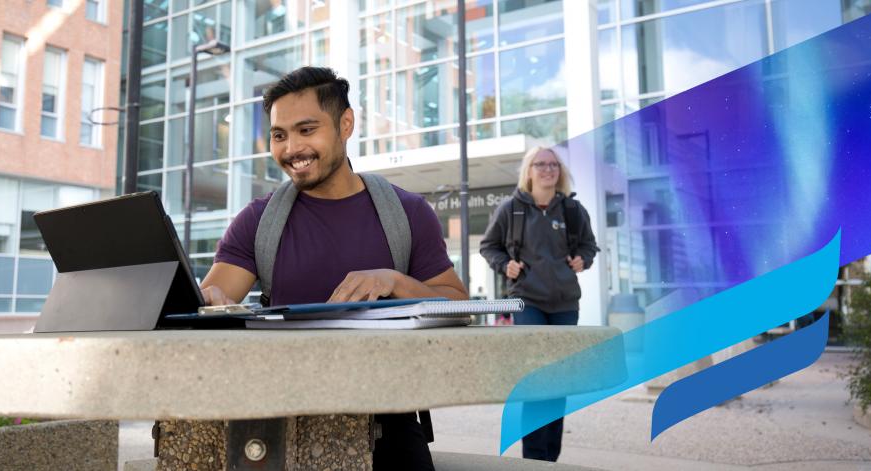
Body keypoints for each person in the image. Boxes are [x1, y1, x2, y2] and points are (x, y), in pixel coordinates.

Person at [200, 66, 467, 470]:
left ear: (346, 124)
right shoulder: (259, 220)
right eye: (279, 135)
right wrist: (208, 300)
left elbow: (456, 304)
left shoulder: (407, 213)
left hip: (388, 422)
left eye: (307, 130)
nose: (291, 148)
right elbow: (212, 300)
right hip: (285, 417)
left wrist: (393, 281)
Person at [479, 146, 599, 462]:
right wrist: (505, 265)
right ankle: (533, 459)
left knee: (558, 383)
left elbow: (590, 245)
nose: (547, 169)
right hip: (527, 301)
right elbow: (489, 246)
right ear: (529, 171)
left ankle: (550, 459)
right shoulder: (511, 209)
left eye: (553, 164)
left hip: (564, 304)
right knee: (536, 380)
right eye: (540, 164)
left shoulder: (573, 210)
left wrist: (582, 259)